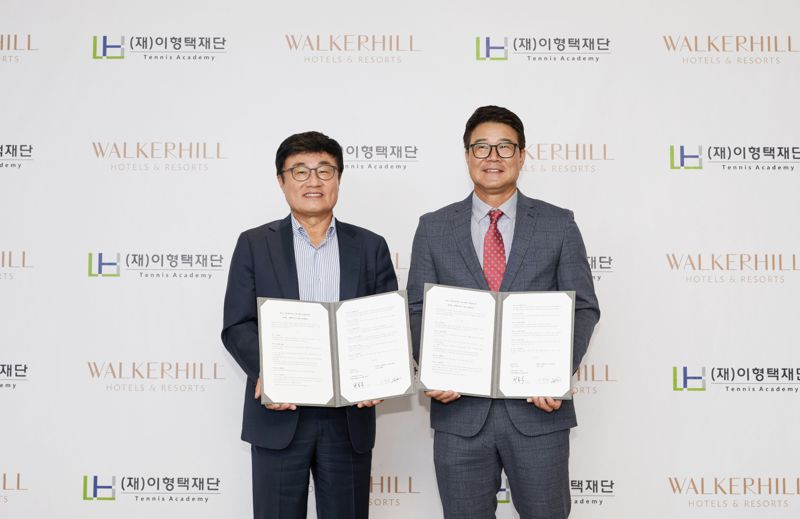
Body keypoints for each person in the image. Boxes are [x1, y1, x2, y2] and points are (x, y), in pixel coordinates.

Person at [407, 106, 600, 519]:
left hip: (538, 412)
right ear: (467, 155)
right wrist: (434, 368)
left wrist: (556, 372)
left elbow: (583, 306)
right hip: (460, 415)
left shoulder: (558, 224)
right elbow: (417, 308)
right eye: (481, 147)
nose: (492, 157)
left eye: (504, 147)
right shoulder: (433, 227)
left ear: (522, 155)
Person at [222, 131, 398, 519]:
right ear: (281, 180)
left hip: (348, 418)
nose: (313, 181)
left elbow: (385, 324)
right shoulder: (254, 244)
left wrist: (379, 377)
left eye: (324, 170)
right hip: (279, 415)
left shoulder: (370, 246)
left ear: (339, 178)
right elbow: (237, 324)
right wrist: (270, 373)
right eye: (300, 171)